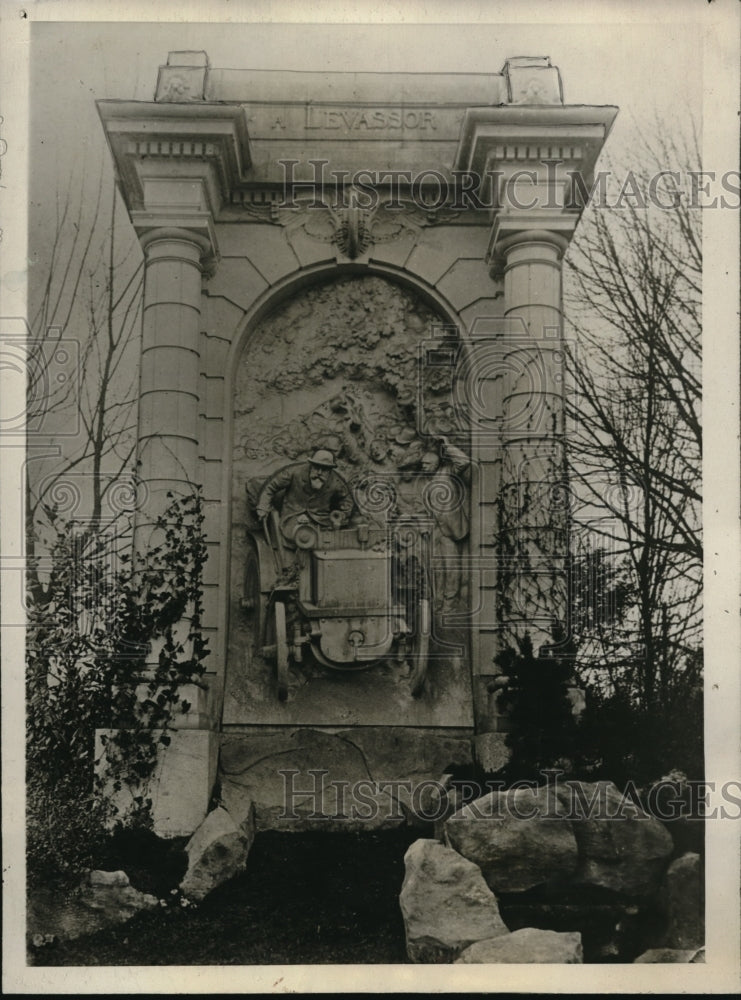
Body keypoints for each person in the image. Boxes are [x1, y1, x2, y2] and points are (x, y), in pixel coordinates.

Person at [256, 449, 353, 546]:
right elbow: (271, 485)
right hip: (293, 516)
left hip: (321, 521)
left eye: (324, 470)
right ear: (311, 465)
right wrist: (263, 506)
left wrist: (342, 515)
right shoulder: (294, 472)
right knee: (303, 537)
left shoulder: (336, 482)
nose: (319, 473)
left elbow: (347, 501)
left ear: (330, 470)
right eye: (316, 467)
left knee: (331, 543)